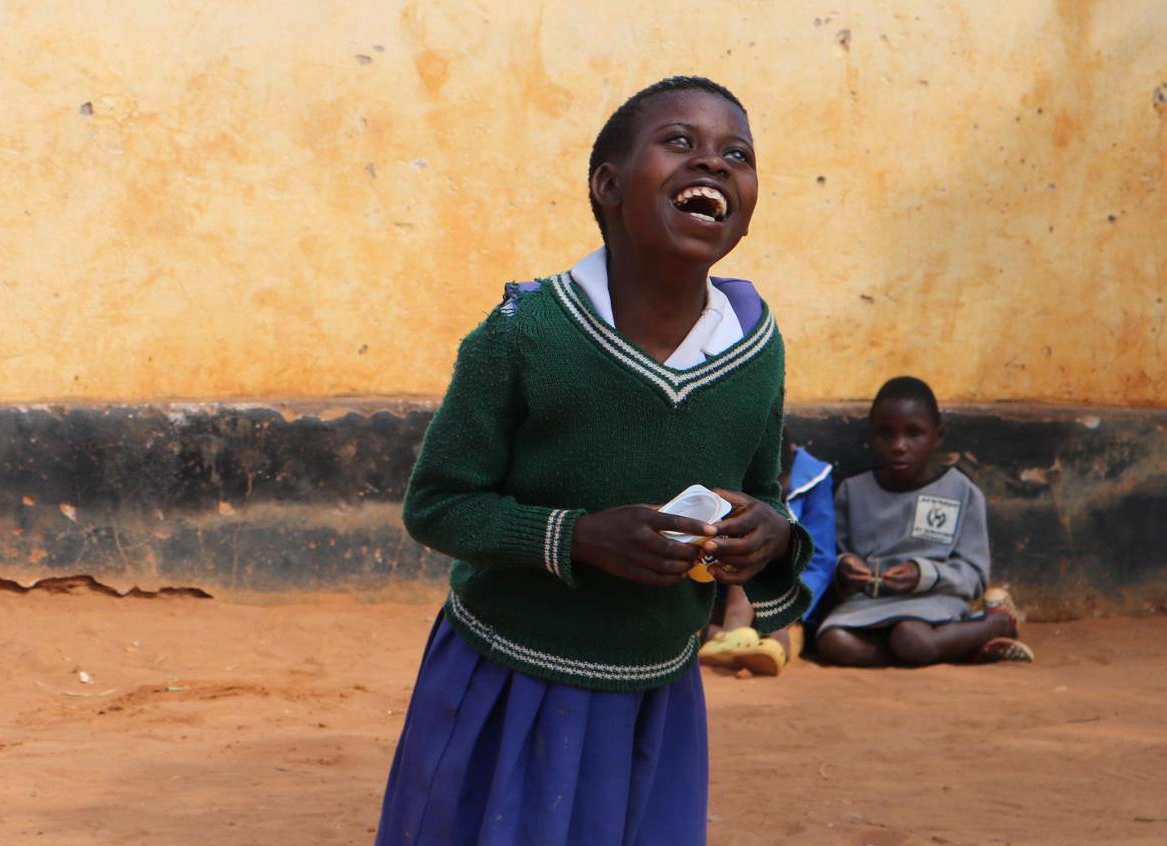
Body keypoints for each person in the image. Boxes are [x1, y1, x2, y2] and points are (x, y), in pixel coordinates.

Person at [375, 76, 812, 845]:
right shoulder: (522, 335)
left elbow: (761, 493)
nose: (711, 164)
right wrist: (578, 537)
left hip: (654, 692)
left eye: (734, 154)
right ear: (606, 185)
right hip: (507, 680)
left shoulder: (755, 349)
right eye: (679, 142)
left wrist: (766, 535)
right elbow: (438, 504)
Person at [814, 377, 1033, 666]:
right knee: (833, 643)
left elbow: (974, 576)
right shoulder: (853, 492)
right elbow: (831, 558)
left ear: (937, 436)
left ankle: (998, 624)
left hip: (932, 601)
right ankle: (956, 648)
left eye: (913, 434)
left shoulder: (961, 492)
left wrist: (923, 574)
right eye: (885, 434)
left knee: (911, 637)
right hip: (867, 605)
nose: (899, 446)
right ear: (872, 435)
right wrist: (845, 568)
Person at [699, 439, 837, 675]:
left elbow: (820, 560)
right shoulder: (720, 476)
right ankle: (731, 636)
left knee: (781, 634)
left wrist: (788, 600)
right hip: (724, 597)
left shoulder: (815, 480)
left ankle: (758, 644)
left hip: (786, 596)